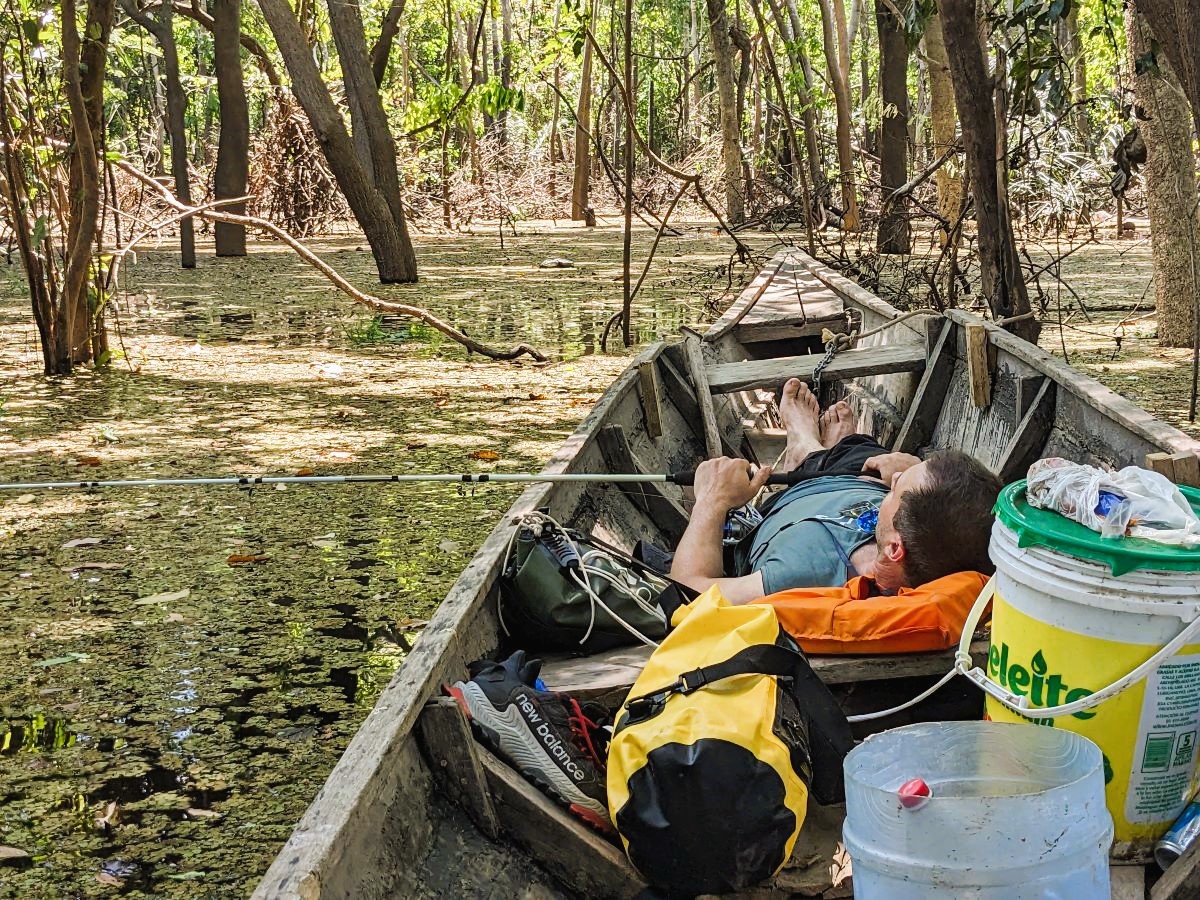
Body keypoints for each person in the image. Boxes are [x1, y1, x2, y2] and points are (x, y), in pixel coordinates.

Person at [670, 378, 1002, 603]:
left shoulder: (806, 571)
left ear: (895, 550)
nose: (898, 477)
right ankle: (818, 448)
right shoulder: (931, 542)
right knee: (862, 450)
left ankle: (804, 448)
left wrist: (711, 501)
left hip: (789, 498)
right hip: (856, 476)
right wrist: (911, 467)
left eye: (901, 485)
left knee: (853, 454)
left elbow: (689, 593)